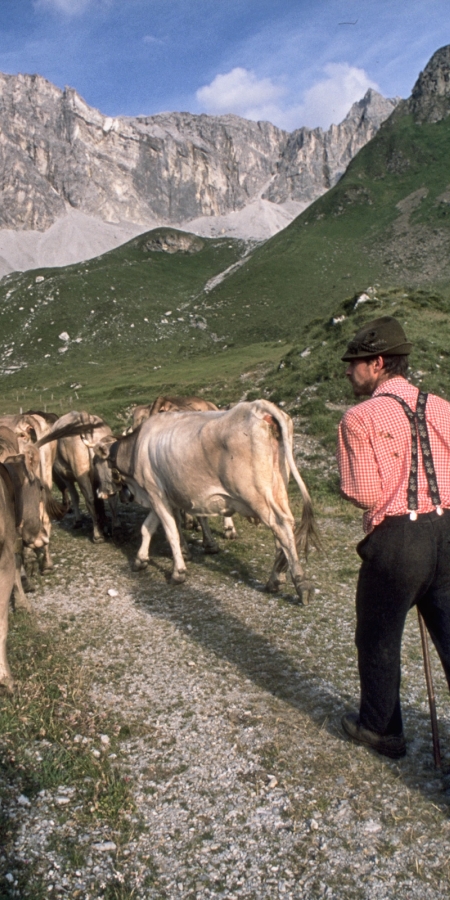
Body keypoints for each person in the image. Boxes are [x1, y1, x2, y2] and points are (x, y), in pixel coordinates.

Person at [337, 315, 450, 758]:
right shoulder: (442, 406)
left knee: (378, 636)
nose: (348, 370)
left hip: (399, 541)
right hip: (448, 529)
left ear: (379, 362)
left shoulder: (359, 418)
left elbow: (364, 494)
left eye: (355, 362)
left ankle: (382, 730)